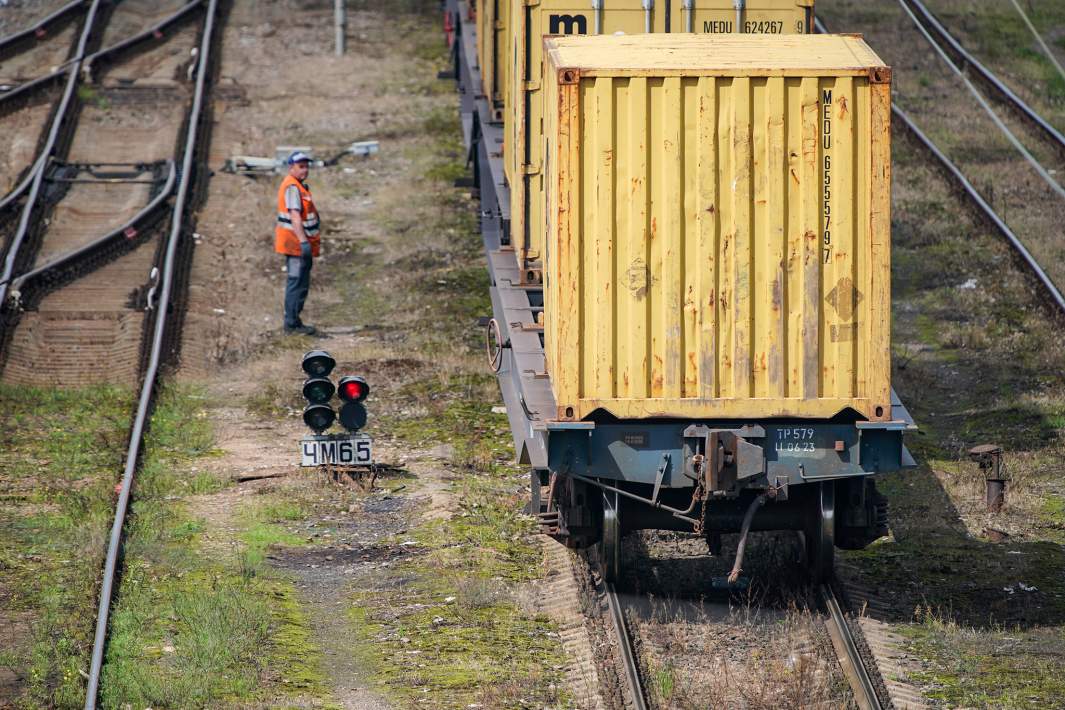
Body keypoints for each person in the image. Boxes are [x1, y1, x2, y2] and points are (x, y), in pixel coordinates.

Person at [275, 150, 320, 335]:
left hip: (298, 244)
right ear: (291, 167)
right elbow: (295, 216)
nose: (305, 170)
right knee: (296, 282)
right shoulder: (293, 187)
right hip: (295, 245)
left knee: (301, 282)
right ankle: (291, 324)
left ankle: (295, 321)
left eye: (306, 166)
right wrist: (303, 242)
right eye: (301, 166)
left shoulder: (299, 186)